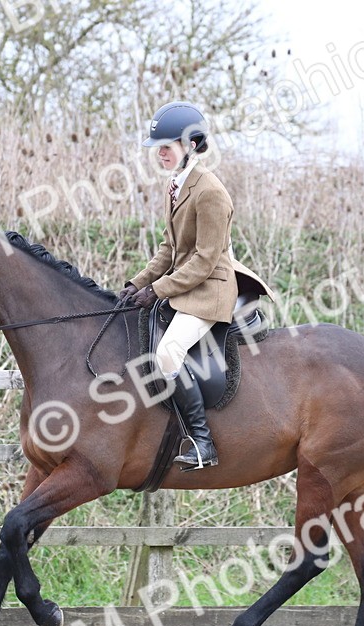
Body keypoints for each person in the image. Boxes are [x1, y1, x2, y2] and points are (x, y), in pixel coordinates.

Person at [118, 101, 275, 471]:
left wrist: (157, 291)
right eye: (158, 147)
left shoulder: (210, 192)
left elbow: (204, 261)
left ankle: (204, 443)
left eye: (167, 146)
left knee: (168, 354)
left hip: (209, 290)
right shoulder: (176, 186)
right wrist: (135, 284)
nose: (160, 153)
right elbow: (169, 250)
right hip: (186, 285)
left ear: (190, 145)